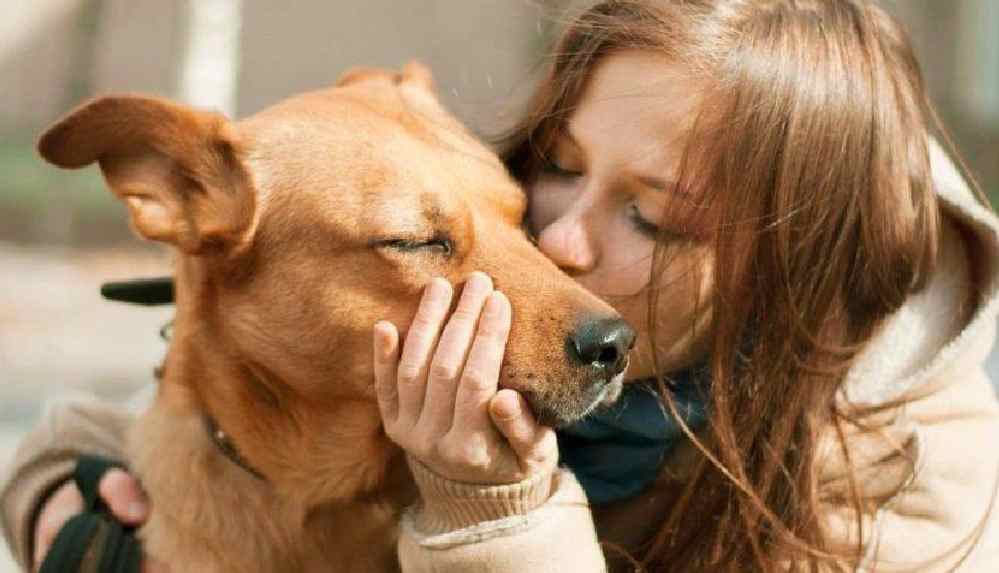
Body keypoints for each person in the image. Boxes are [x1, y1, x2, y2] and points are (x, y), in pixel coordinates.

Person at [5, 0, 999, 571]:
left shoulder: (907, 481)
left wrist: (493, 510)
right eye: (554, 165)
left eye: (655, 218)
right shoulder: (400, 340)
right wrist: (52, 503)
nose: (556, 248)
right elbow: (165, 412)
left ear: (794, 266)